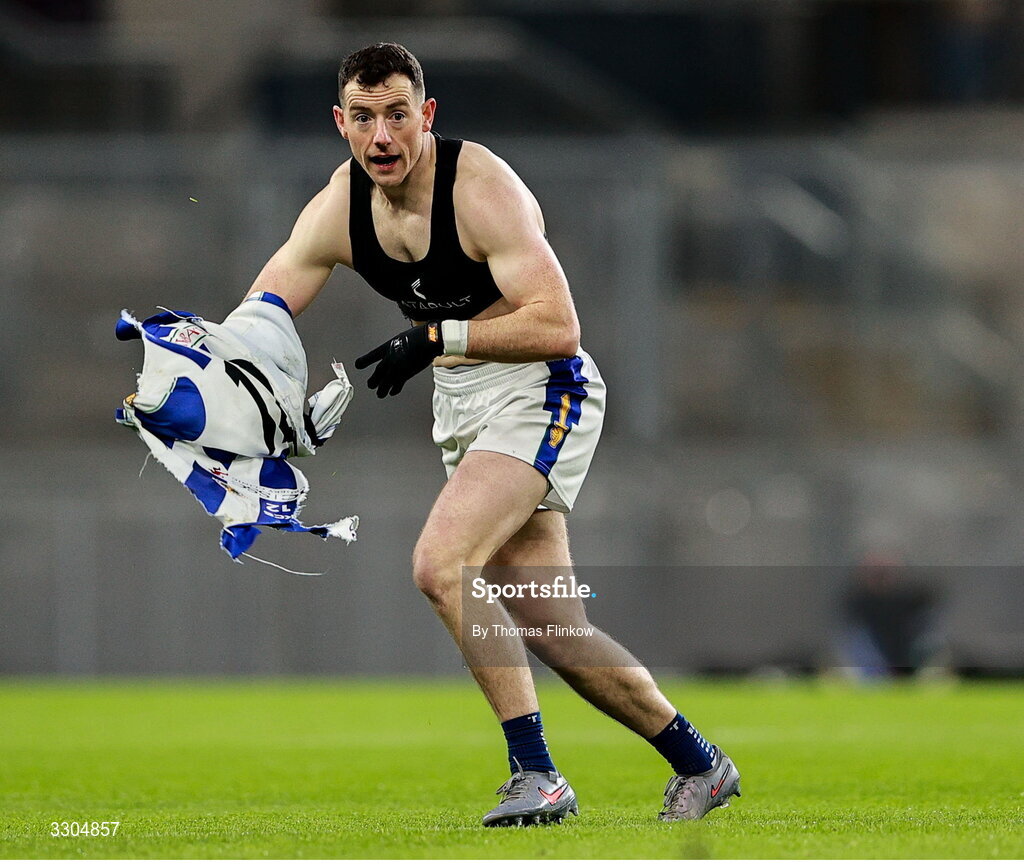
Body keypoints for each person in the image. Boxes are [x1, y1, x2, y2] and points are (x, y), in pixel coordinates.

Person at [243, 42, 740, 826]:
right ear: (340, 123)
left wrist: (438, 339)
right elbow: (263, 313)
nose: (382, 138)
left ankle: (536, 774)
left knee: (441, 565)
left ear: (426, 116)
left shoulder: (479, 187)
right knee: (551, 625)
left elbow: (559, 325)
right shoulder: (338, 207)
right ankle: (700, 763)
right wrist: (199, 381)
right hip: (463, 400)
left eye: (398, 116)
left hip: (542, 388)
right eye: (365, 118)